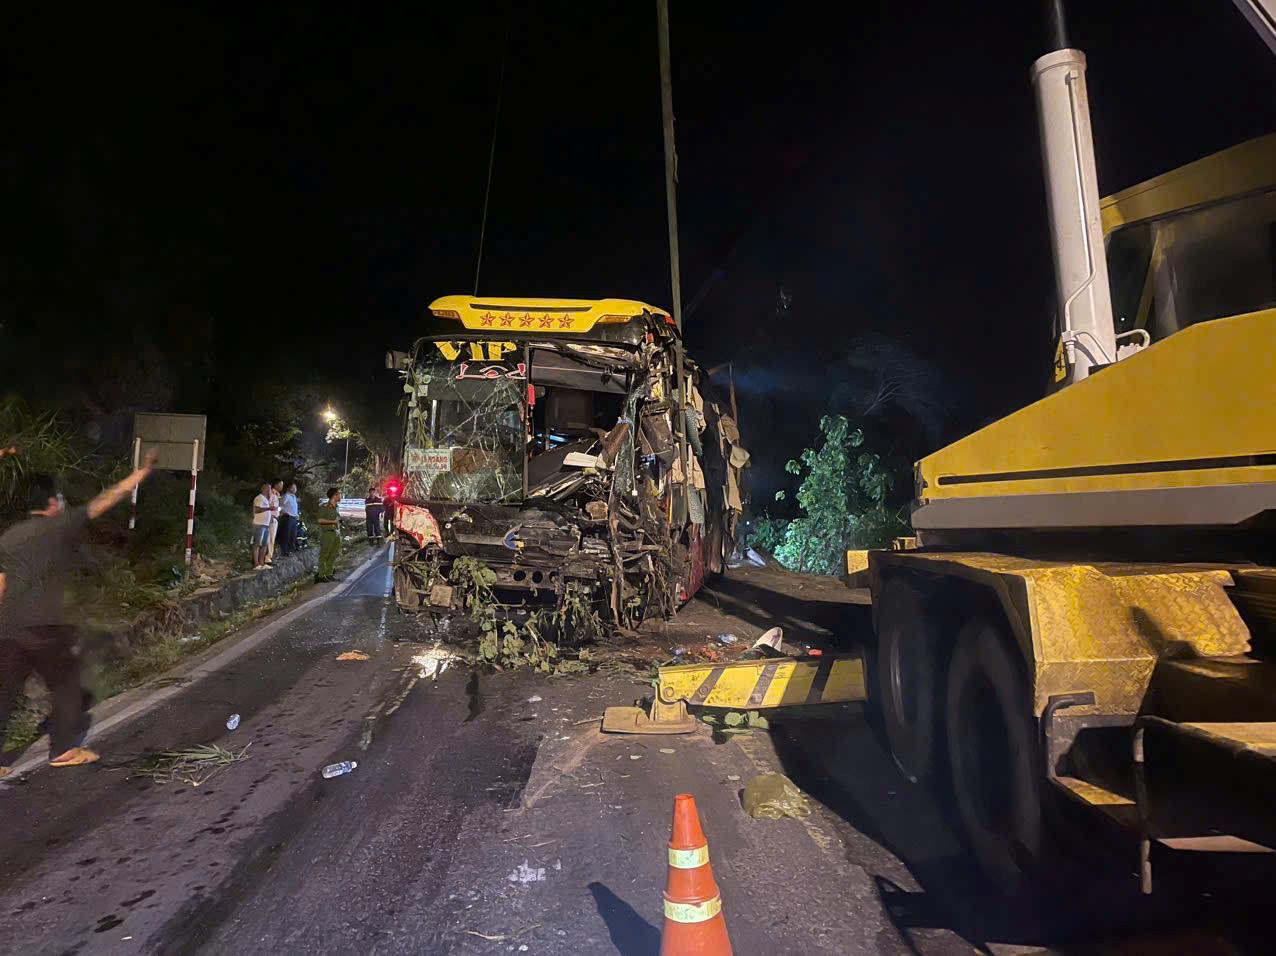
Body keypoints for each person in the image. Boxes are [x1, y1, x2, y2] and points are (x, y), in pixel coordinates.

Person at [0, 452, 157, 776]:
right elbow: (103, 501)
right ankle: (64, 749)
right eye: (59, 497)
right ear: (52, 501)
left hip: (10, 627)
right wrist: (139, 474)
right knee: (68, 684)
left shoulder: (10, 537)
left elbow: (0, 583)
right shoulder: (58, 525)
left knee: (3, 692)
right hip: (47, 626)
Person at [315, 487, 342, 582]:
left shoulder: (337, 507)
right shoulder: (324, 507)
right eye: (339, 494)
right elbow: (320, 520)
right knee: (324, 555)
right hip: (327, 534)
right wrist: (333, 521)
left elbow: (338, 519)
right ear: (334, 495)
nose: (340, 496)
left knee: (333, 554)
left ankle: (329, 573)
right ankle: (321, 575)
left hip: (336, 533)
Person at [251, 482, 272, 570]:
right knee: (257, 544)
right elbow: (256, 509)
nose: (271, 490)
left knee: (264, 544)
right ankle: (256, 564)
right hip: (259, 524)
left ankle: (262, 563)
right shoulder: (259, 498)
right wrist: (269, 508)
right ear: (265, 489)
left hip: (266, 525)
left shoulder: (266, 499)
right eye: (269, 488)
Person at [277, 482, 300, 556]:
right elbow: (280, 506)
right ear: (288, 488)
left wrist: (297, 515)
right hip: (287, 517)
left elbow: (294, 508)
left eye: (295, 488)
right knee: (286, 534)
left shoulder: (294, 497)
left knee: (293, 534)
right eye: (293, 488)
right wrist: (282, 513)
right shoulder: (286, 496)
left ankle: (291, 549)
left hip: (294, 518)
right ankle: (284, 551)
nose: (294, 489)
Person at [265, 480, 283, 565]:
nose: (282, 486)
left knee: (271, 538)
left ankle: (269, 556)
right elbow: (267, 505)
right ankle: (267, 558)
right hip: (271, 518)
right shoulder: (271, 493)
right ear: (275, 484)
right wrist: (271, 516)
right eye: (280, 484)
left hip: (274, 518)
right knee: (270, 538)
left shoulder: (277, 494)